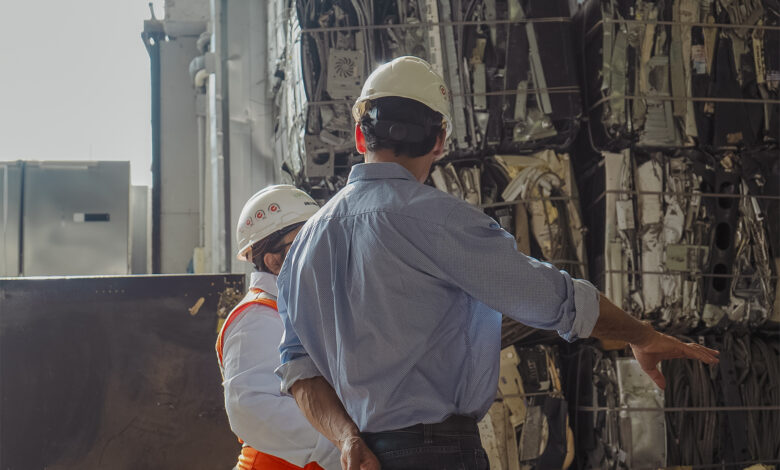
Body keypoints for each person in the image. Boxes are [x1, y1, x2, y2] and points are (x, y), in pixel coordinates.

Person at [274, 56, 720, 470]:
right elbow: (552, 299)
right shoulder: (436, 219)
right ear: (440, 140)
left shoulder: (305, 247)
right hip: (439, 454)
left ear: (358, 136)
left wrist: (349, 438)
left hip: (363, 457)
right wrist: (642, 335)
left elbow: (299, 370)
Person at [216, 185, 340, 470]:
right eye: (306, 240)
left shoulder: (303, 305)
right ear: (273, 261)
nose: (320, 249)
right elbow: (252, 409)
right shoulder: (257, 318)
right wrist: (341, 442)